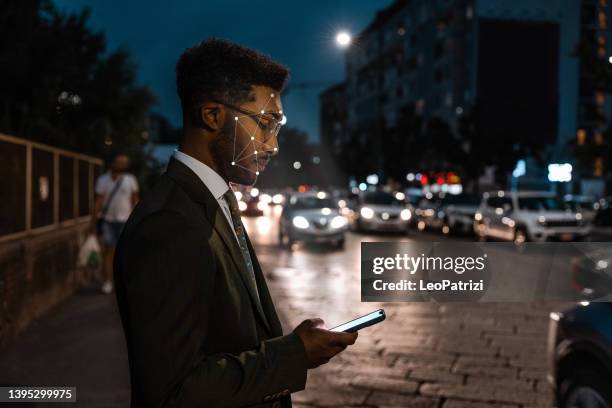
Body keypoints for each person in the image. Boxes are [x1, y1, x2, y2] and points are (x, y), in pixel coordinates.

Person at [113, 38, 358, 407]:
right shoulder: (169, 223)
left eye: (278, 125)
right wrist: (293, 356)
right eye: (264, 124)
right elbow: (171, 393)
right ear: (212, 116)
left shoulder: (214, 200)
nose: (273, 144)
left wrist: (292, 344)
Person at [93, 152, 139, 294]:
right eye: (119, 161)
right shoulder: (103, 180)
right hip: (108, 220)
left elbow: (135, 200)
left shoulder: (130, 180)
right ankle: (107, 282)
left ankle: (125, 281)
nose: (122, 164)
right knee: (108, 252)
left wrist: (136, 219)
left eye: (124, 162)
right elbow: (98, 201)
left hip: (126, 221)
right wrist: (93, 221)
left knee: (126, 253)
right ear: (112, 163)